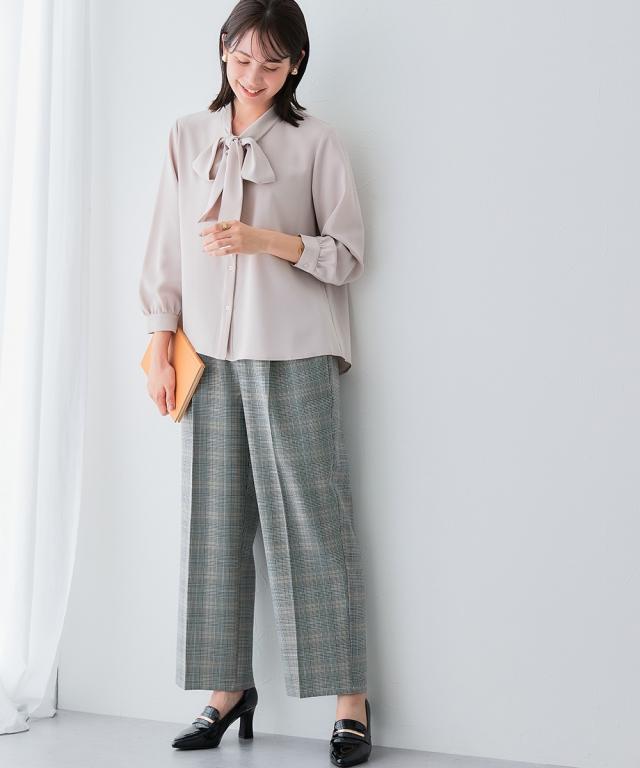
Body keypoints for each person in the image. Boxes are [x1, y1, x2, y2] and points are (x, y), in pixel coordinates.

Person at [138, 2, 371, 765]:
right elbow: (166, 250)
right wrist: (159, 342)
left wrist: (265, 240)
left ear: (296, 63)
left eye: (272, 63)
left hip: (295, 352)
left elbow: (347, 255)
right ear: (223, 51)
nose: (253, 76)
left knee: (314, 524)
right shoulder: (186, 136)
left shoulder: (317, 142)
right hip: (207, 356)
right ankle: (226, 688)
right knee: (214, 525)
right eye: (242, 60)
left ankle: (349, 700)